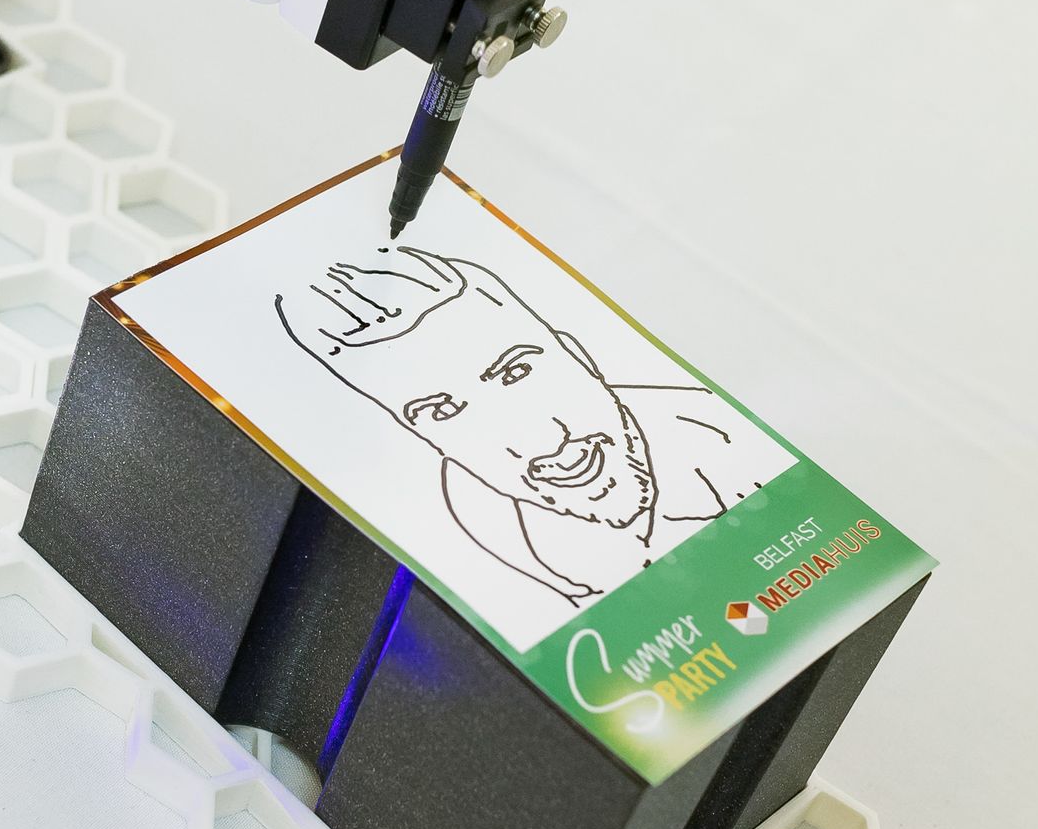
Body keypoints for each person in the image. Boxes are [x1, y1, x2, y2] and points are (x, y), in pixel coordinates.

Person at [276, 247, 778, 613]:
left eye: (516, 372)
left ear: (578, 355)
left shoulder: (725, 441)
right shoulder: (487, 533)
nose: (540, 445)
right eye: (443, 413)